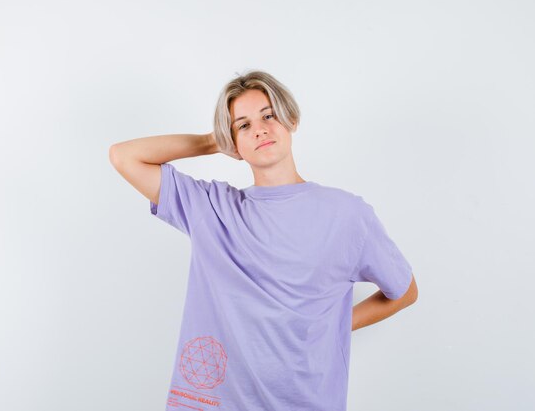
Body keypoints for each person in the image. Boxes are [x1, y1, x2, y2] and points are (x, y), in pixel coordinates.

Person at [109, 70, 418, 411]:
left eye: (269, 115)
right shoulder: (212, 209)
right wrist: (212, 140)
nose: (259, 129)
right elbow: (124, 157)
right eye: (243, 125)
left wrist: (335, 326)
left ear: (291, 119)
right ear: (234, 144)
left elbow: (404, 291)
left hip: (305, 401)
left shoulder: (347, 214)